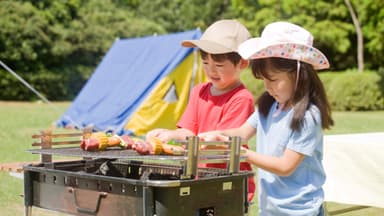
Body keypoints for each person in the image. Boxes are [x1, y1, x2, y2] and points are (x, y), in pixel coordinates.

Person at [198, 21, 334, 216]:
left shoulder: (307, 116)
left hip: (301, 210)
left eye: (273, 80)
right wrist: (219, 135)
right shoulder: (269, 105)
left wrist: (241, 154)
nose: (268, 88)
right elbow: (243, 133)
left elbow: (285, 166)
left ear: (298, 74)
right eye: (263, 80)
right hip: (270, 209)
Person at [146, 19, 256, 201]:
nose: (211, 71)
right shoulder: (199, 91)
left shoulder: (241, 98)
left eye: (219, 65)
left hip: (228, 183)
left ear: (242, 64)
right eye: (205, 63)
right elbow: (189, 131)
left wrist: (189, 143)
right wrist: (170, 134)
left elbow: (220, 145)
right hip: (198, 178)